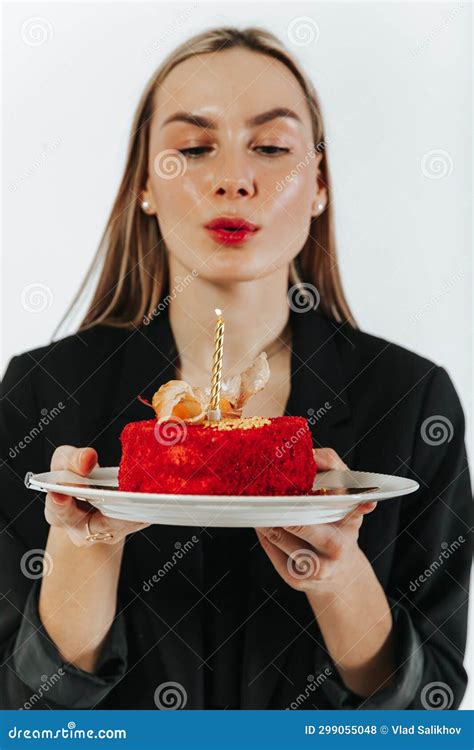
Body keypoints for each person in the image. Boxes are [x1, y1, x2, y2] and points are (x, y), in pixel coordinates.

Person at [0, 26, 471, 711]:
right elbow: (23, 713)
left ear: (319, 185)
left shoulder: (412, 400)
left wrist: (339, 579)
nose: (232, 179)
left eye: (272, 147)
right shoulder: (40, 395)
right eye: (193, 149)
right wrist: (84, 550)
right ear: (145, 187)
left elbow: (427, 712)